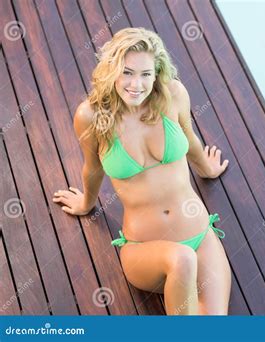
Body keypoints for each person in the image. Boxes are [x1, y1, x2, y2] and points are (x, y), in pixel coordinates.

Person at [52, 27, 231, 315]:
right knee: (181, 259)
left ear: (157, 72)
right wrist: (86, 202)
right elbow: (93, 168)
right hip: (144, 249)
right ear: (111, 70)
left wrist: (206, 168)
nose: (137, 84)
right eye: (128, 72)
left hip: (199, 235)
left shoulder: (173, 94)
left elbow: (189, 137)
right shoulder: (91, 116)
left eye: (146, 74)